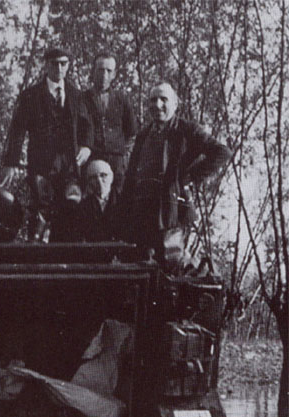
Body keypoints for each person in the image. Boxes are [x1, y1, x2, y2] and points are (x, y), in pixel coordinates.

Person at [120, 82, 232, 268]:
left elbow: (221, 152)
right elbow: (132, 175)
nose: (157, 105)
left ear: (175, 103)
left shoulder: (186, 130)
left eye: (164, 99)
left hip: (171, 210)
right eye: (153, 100)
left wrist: (189, 177)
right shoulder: (143, 135)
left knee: (171, 263)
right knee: (141, 264)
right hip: (142, 210)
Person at [0, 47, 93, 240]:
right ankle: (35, 259)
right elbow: (17, 131)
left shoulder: (77, 96)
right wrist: (10, 163)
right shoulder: (30, 96)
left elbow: (87, 126)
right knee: (41, 208)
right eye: (54, 63)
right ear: (46, 65)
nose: (59, 68)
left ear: (68, 66)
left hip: (70, 166)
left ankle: (66, 260)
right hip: (41, 165)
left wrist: (87, 147)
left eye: (63, 64)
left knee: (71, 206)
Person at [81, 53, 136, 188]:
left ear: (114, 74)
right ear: (93, 71)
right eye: (100, 70)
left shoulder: (122, 99)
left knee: (118, 200)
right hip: (92, 159)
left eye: (109, 71)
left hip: (117, 162)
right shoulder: (82, 99)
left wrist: (124, 156)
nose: (104, 75)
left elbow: (132, 132)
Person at [51, 159, 120, 242]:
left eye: (103, 175)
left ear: (111, 177)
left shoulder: (123, 201)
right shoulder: (83, 207)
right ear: (89, 182)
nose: (99, 180)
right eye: (93, 177)